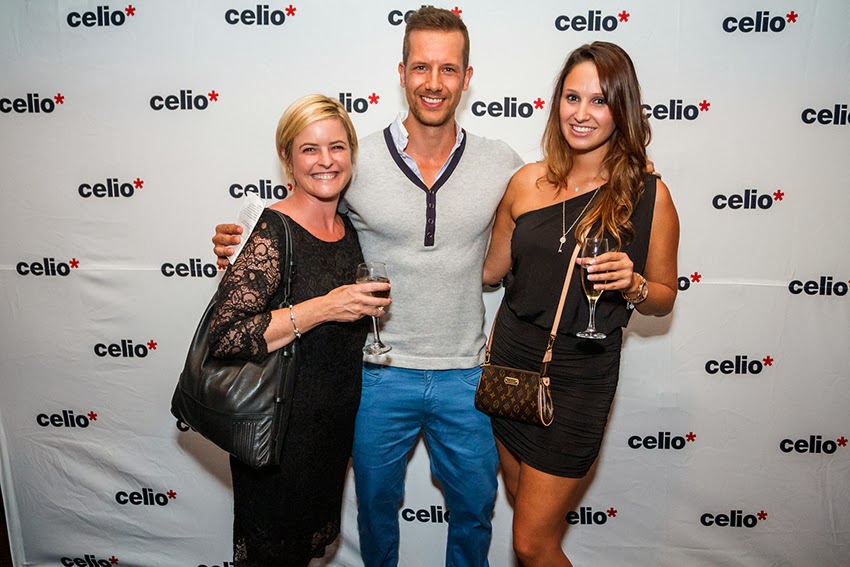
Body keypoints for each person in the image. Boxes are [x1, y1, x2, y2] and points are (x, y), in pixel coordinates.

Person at [214, 8, 524, 566]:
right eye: (421, 67)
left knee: (476, 509)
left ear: (467, 77)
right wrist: (243, 244)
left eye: (448, 69)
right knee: (376, 511)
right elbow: (305, 219)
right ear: (401, 73)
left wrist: (623, 171)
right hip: (377, 373)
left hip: (465, 374)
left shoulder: (500, 162)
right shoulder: (356, 160)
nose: (434, 82)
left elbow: (547, 211)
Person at [481, 42, 680, 566]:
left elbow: (663, 297)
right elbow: (488, 270)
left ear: (622, 108)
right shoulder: (525, 182)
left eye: (599, 100)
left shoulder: (648, 196)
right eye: (572, 97)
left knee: (531, 543)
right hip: (510, 362)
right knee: (521, 502)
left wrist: (634, 284)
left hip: (580, 374)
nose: (582, 113)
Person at [207, 94, 391, 567]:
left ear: (351, 153)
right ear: (287, 159)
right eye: (310, 149)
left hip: (329, 433)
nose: (326, 160)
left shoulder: (349, 231)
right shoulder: (271, 231)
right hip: (277, 435)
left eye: (337, 147)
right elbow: (226, 335)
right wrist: (324, 307)